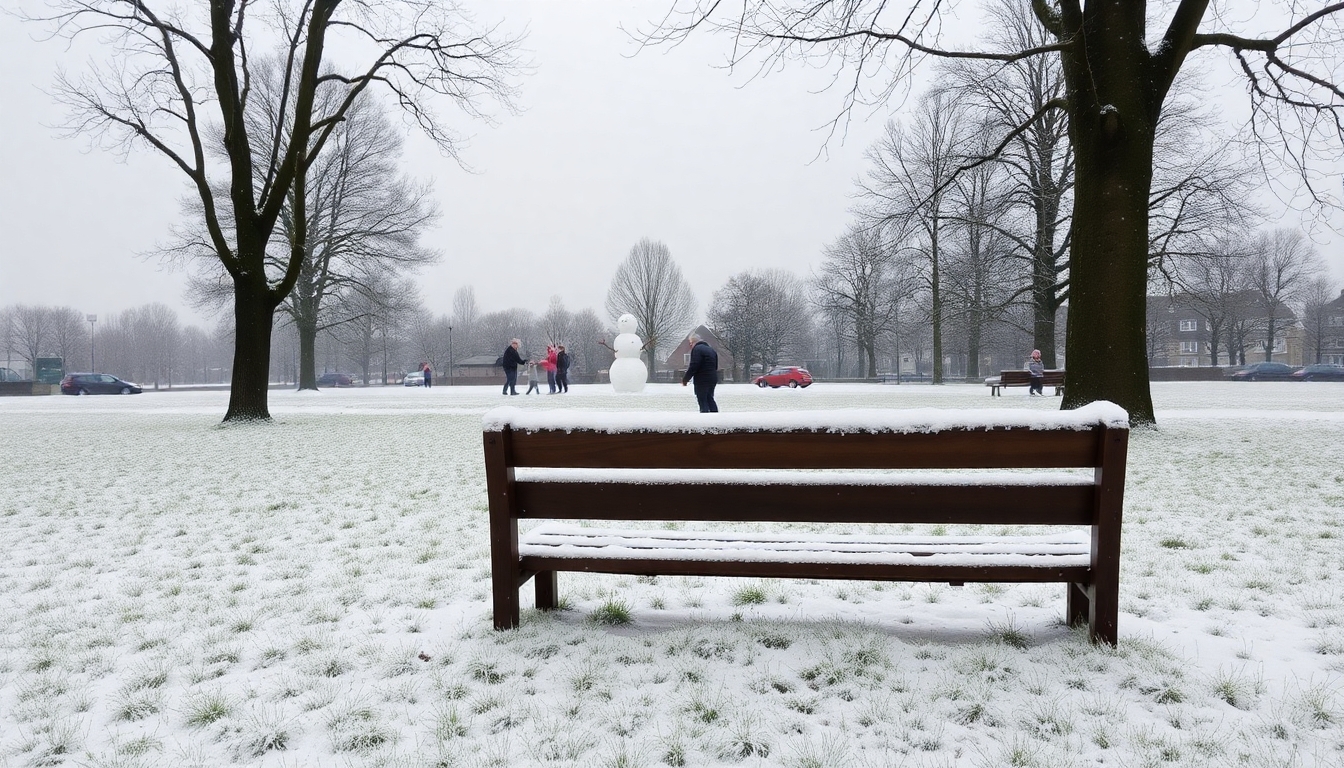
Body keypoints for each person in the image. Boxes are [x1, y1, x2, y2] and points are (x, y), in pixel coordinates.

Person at [681, 333, 719, 412]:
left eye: (690, 343)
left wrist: (685, 379)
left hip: (702, 379)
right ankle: (715, 418)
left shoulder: (697, 349)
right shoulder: (711, 350)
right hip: (712, 378)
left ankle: (704, 420)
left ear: (693, 342)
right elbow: (715, 366)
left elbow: (694, 365)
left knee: (702, 400)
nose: (690, 346)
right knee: (710, 398)